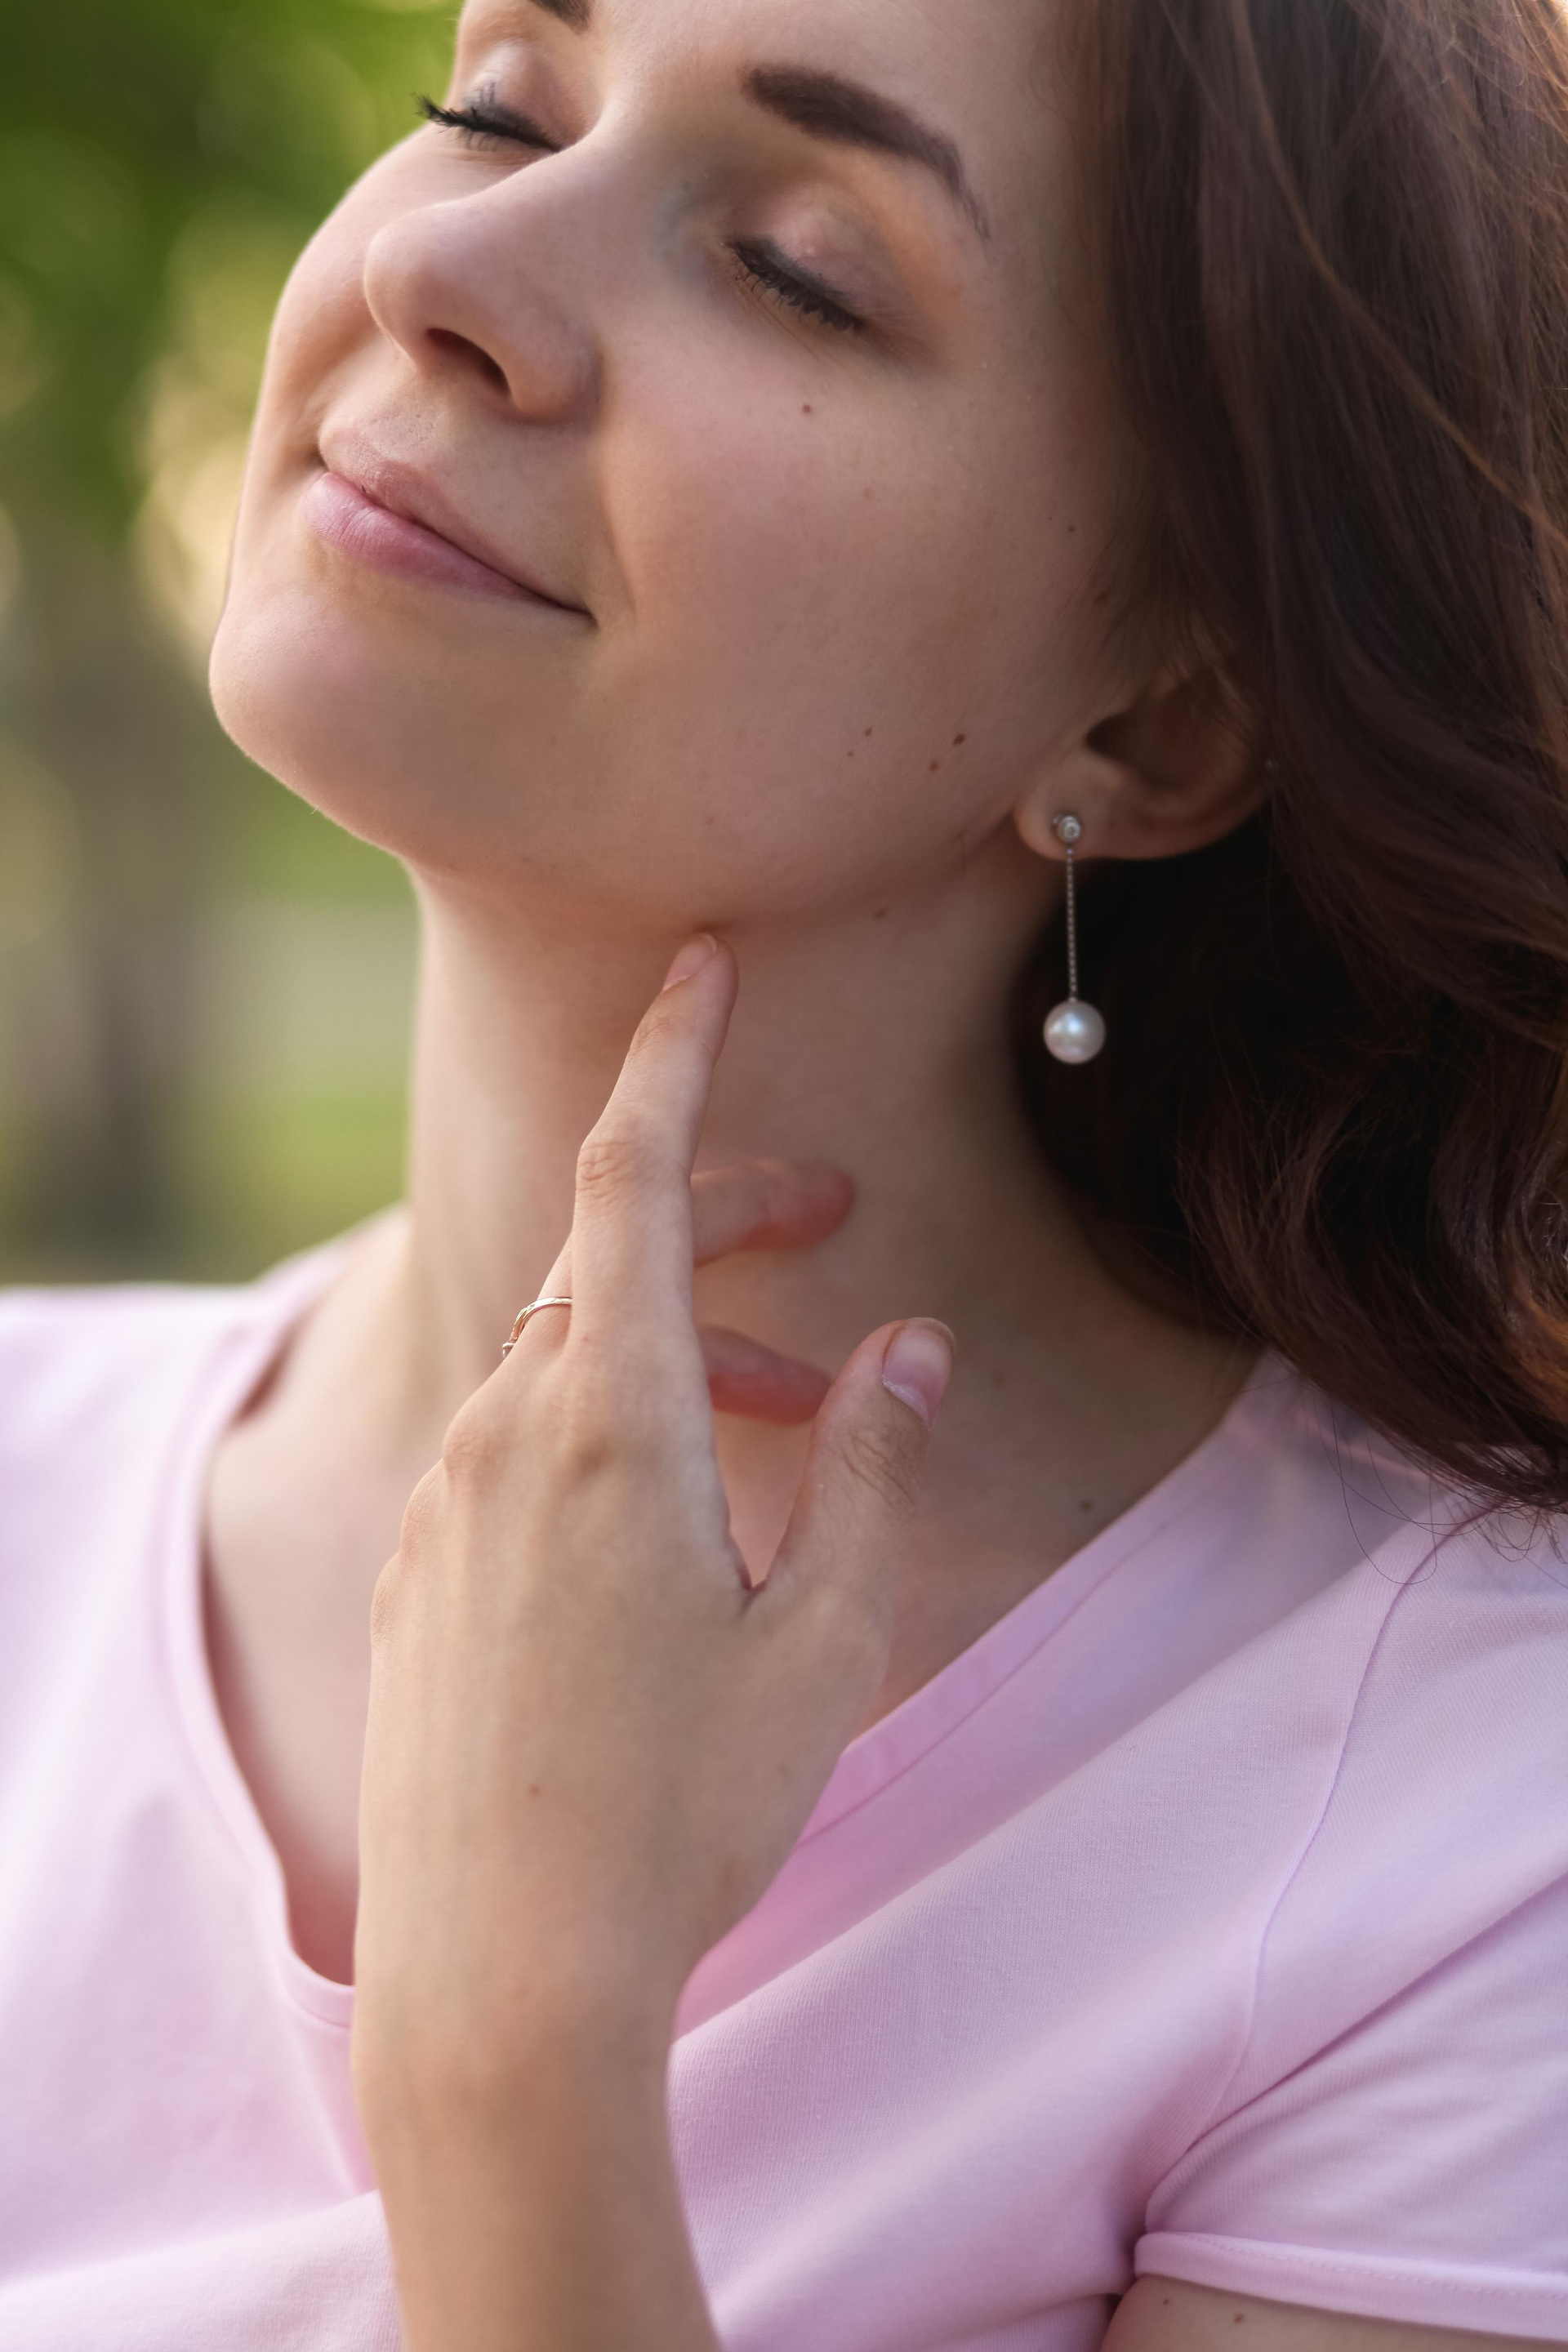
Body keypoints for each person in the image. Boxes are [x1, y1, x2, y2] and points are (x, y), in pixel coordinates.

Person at [2, 0, 1566, 2344]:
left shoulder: (1467, 1826)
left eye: (791, 268)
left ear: (1156, 719)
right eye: (494, 107)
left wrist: (516, 2062)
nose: (447, 268)